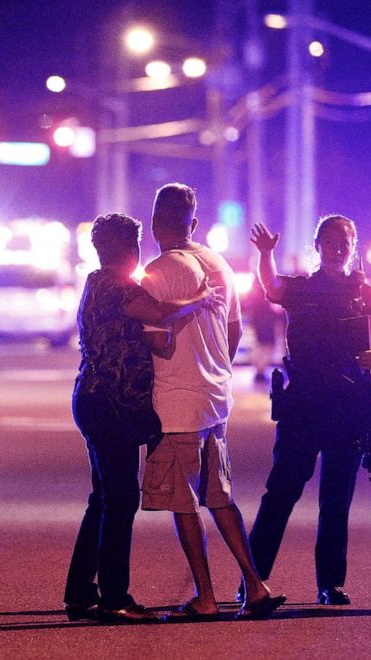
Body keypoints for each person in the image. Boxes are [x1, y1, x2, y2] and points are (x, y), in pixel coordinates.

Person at [64, 212, 223, 624]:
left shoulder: (95, 281)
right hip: (111, 406)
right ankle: (114, 597)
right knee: (120, 500)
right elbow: (158, 312)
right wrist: (200, 299)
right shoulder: (118, 287)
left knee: (102, 498)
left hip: (94, 400)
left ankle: (81, 592)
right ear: (130, 250)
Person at [140, 183, 286, 621]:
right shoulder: (219, 264)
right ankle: (255, 585)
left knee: (183, 502)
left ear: (154, 223)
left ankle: (205, 597)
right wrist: (215, 363)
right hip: (215, 398)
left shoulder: (158, 270)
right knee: (220, 496)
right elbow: (234, 330)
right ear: (194, 223)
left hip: (176, 401)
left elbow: (156, 342)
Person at [246, 214, 371, 606]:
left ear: (354, 244)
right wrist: (266, 254)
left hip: (348, 406)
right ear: (318, 245)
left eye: (345, 239)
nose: (338, 246)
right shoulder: (304, 289)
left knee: (336, 499)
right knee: (281, 491)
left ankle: (330, 583)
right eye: (330, 239)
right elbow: (272, 287)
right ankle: (252, 578)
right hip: (304, 404)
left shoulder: (367, 294)